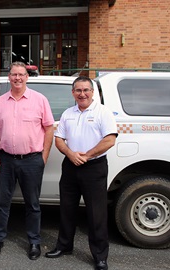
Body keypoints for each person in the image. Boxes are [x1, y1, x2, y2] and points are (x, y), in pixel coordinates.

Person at [45, 76, 118, 270]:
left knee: (97, 214)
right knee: (67, 209)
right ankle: (64, 246)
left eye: (86, 90)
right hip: (70, 166)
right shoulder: (68, 113)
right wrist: (70, 154)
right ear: (73, 93)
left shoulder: (103, 112)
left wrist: (87, 155)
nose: (82, 94)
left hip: (93, 167)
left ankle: (100, 256)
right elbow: (59, 139)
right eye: (78, 90)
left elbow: (110, 139)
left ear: (92, 92)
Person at [0, 62, 54, 260]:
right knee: (1, 202)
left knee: (32, 204)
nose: (17, 78)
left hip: (32, 160)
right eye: (14, 74)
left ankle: (34, 242)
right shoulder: (0, 102)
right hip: (7, 160)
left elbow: (49, 128)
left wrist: (43, 157)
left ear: (27, 77)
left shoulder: (40, 100)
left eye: (21, 75)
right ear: (9, 77)